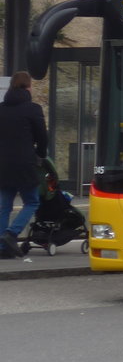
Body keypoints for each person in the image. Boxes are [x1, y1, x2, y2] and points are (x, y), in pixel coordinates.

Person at [0, 71, 48, 258]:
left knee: (5, 206)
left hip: (3, 164)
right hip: (25, 164)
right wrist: (41, 155)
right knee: (32, 201)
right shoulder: (33, 109)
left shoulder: (1, 108)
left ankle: (2, 248)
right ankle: (11, 234)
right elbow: (42, 138)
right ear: (28, 87)